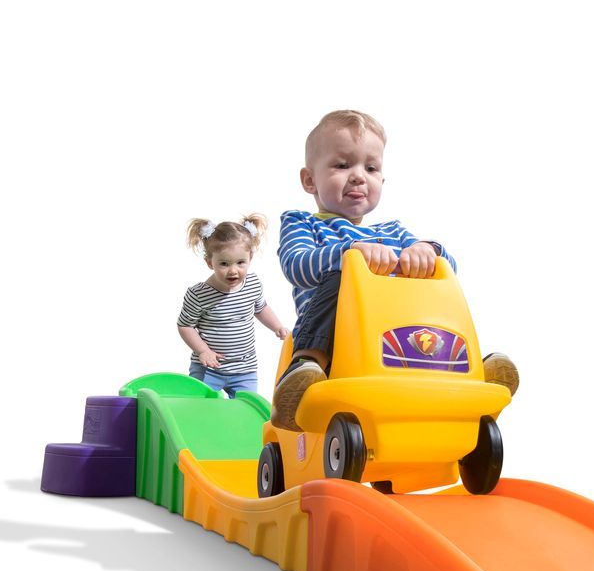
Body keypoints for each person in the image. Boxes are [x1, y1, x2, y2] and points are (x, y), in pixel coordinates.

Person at [271, 109, 518, 431]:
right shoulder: (302, 223)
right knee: (341, 277)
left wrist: (428, 250)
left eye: (371, 168)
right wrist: (350, 252)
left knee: (434, 282)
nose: (358, 176)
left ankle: (469, 372)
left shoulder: (394, 232)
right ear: (309, 180)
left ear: (382, 180)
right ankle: (304, 372)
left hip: (398, 336)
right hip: (338, 343)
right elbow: (296, 265)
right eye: (342, 165)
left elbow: (448, 268)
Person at [178, 215, 290, 398]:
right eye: (224, 264)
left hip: (244, 368)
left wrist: (277, 326)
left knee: (247, 406)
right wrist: (203, 351)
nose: (233, 270)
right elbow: (185, 326)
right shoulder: (199, 294)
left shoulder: (252, 284)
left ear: (250, 258)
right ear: (209, 262)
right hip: (209, 368)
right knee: (200, 406)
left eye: (240, 263)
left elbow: (261, 308)